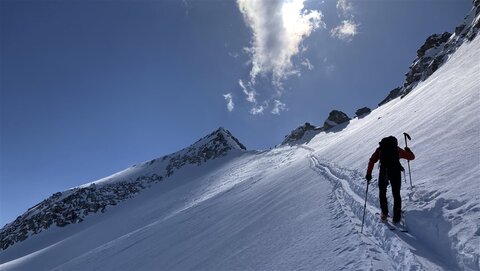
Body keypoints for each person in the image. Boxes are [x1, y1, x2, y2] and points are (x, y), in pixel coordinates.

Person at [365, 136, 415, 224]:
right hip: (395, 171)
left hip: (384, 171)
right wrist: (408, 150)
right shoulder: (397, 149)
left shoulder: (380, 149)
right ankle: (396, 217)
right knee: (396, 193)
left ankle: (384, 214)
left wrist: (368, 174)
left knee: (382, 191)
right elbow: (411, 157)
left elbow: (372, 161)